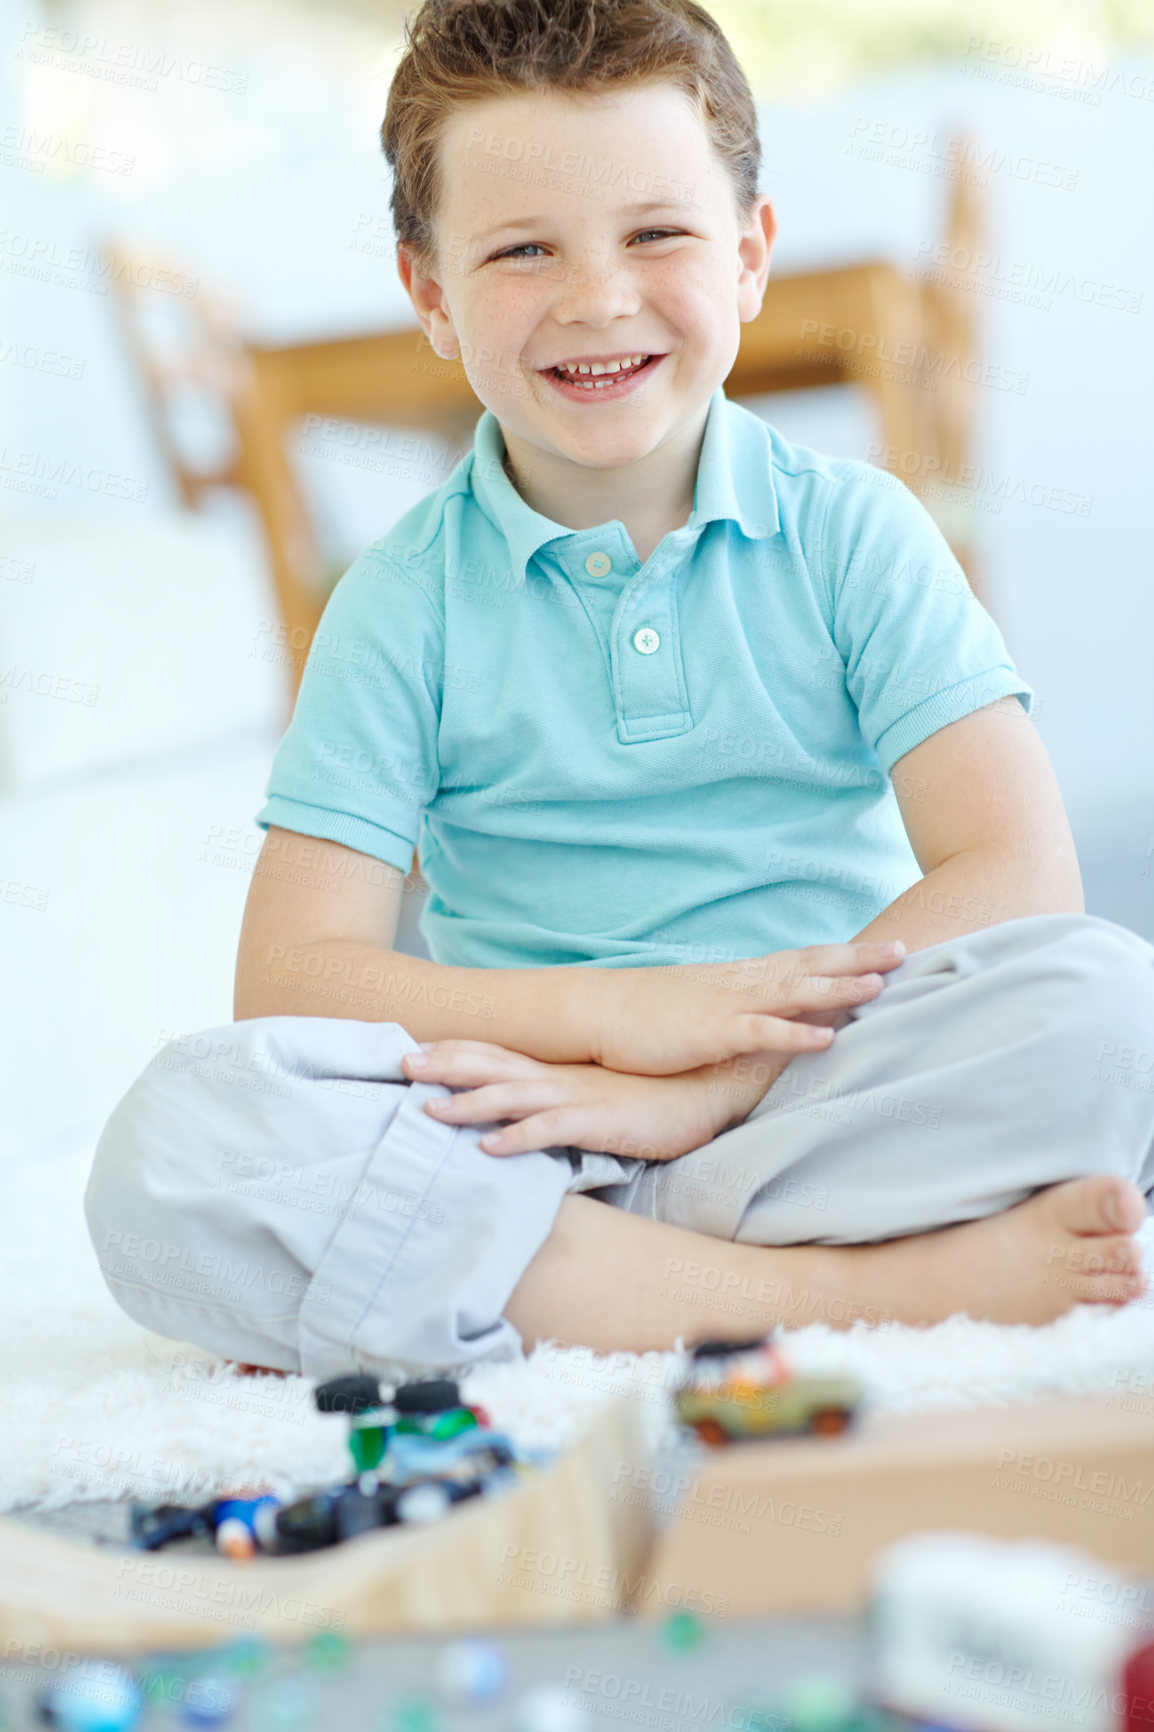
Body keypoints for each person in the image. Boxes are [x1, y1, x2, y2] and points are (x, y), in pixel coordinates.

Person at [86, 0, 1154, 1378]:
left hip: (806, 1096)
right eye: (522, 249)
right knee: (184, 1141)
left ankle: (542, 1278)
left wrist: (708, 1077)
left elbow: (1015, 869)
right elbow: (293, 978)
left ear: (750, 254)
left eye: (656, 234)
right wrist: (621, 1035)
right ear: (429, 294)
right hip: (520, 1122)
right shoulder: (401, 598)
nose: (597, 298)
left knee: (1105, 1003)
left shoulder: (854, 531)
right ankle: (856, 1290)